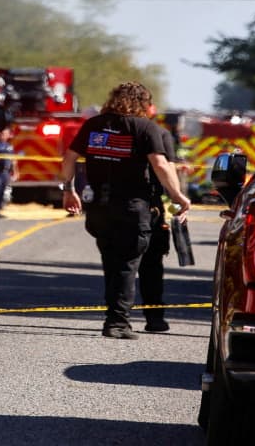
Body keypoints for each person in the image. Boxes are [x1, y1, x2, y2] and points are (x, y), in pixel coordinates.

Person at [59, 80, 190, 340]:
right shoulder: (145, 128)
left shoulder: (94, 125)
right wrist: (178, 197)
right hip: (133, 207)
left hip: (99, 207)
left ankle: (117, 317)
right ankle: (117, 323)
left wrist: (68, 190)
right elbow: (161, 165)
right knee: (127, 265)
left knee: (112, 263)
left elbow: (69, 157)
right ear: (143, 104)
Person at [137, 102, 182, 332]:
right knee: (151, 266)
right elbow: (168, 171)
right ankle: (154, 317)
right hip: (149, 208)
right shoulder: (159, 133)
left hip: (111, 206)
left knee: (118, 266)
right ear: (150, 109)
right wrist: (178, 204)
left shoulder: (111, 132)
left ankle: (116, 318)